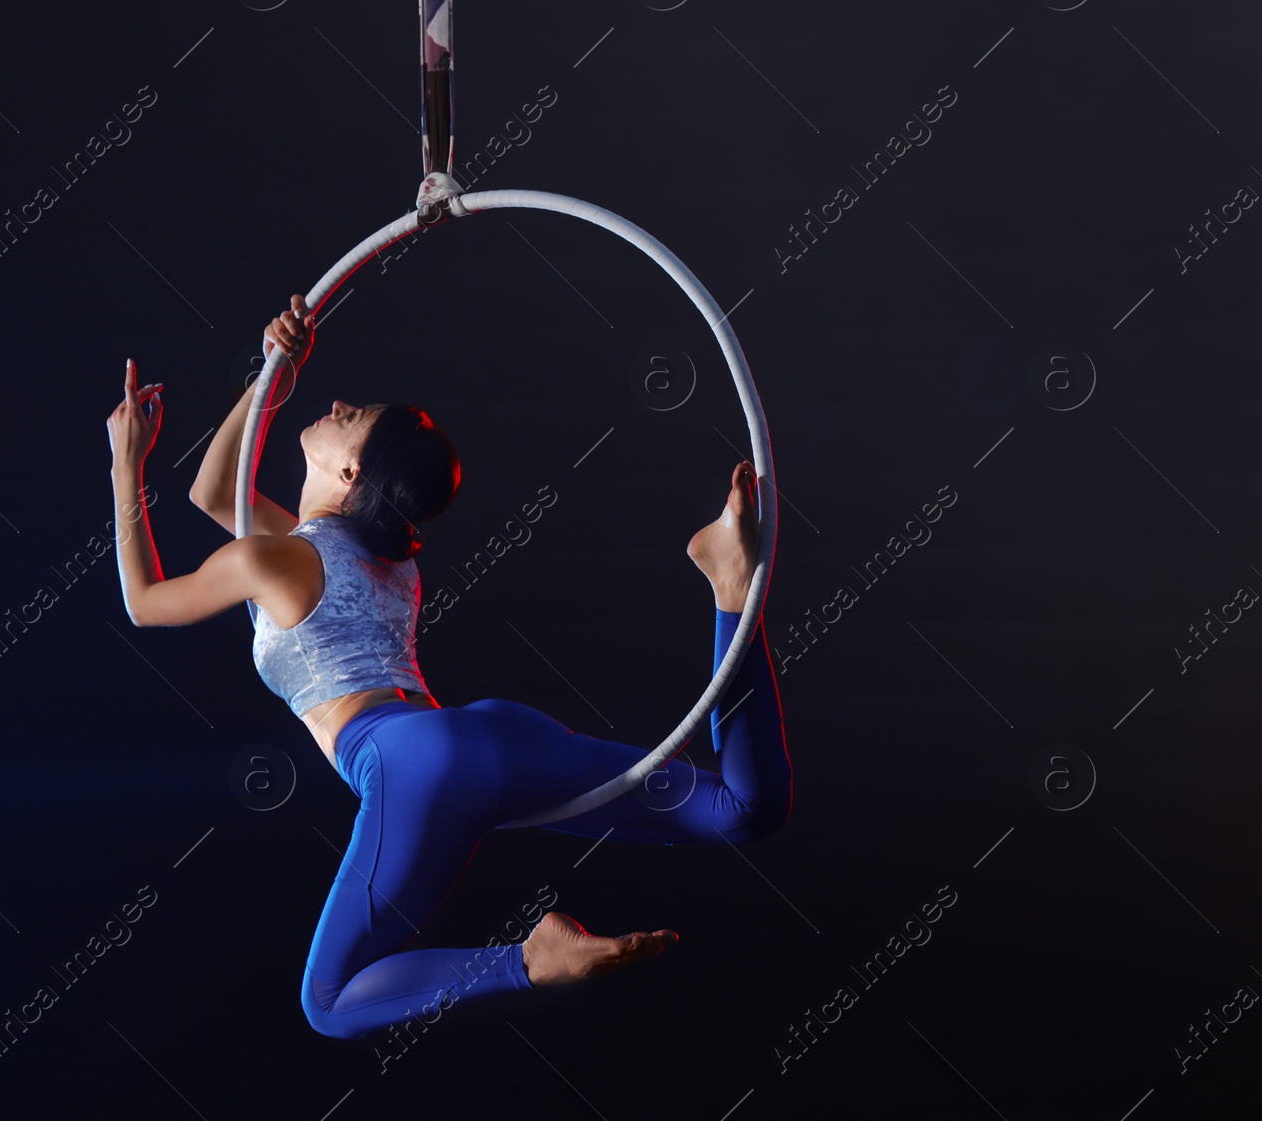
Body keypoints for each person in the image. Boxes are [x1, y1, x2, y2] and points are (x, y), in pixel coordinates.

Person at [106, 294, 794, 1041]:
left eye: (350, 413)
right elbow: (217, 493)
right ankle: (733, 590)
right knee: (744, 811)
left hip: (412, 761)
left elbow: (144, 601)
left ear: (348, 468)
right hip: (488, 738)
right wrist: (275, 376)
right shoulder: (368, 555)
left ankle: (528, 961)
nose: (335, 402)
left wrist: (126, 464)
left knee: (329, 1002)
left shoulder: (278, 558)